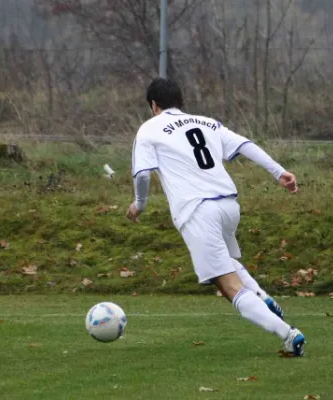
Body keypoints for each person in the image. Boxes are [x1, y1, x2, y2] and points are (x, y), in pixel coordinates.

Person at [126, 78, 306, 356]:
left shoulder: (149, 129)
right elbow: (245, 144)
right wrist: (278, 172)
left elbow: (141, 174)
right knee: (227, 261)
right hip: (228, 206)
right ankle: (262, 297)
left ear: (153, 105)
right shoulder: (206, 122)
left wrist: (139, 204)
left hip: (197, 210)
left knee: (227, 285)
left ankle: (287, 334)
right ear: (181, 102)